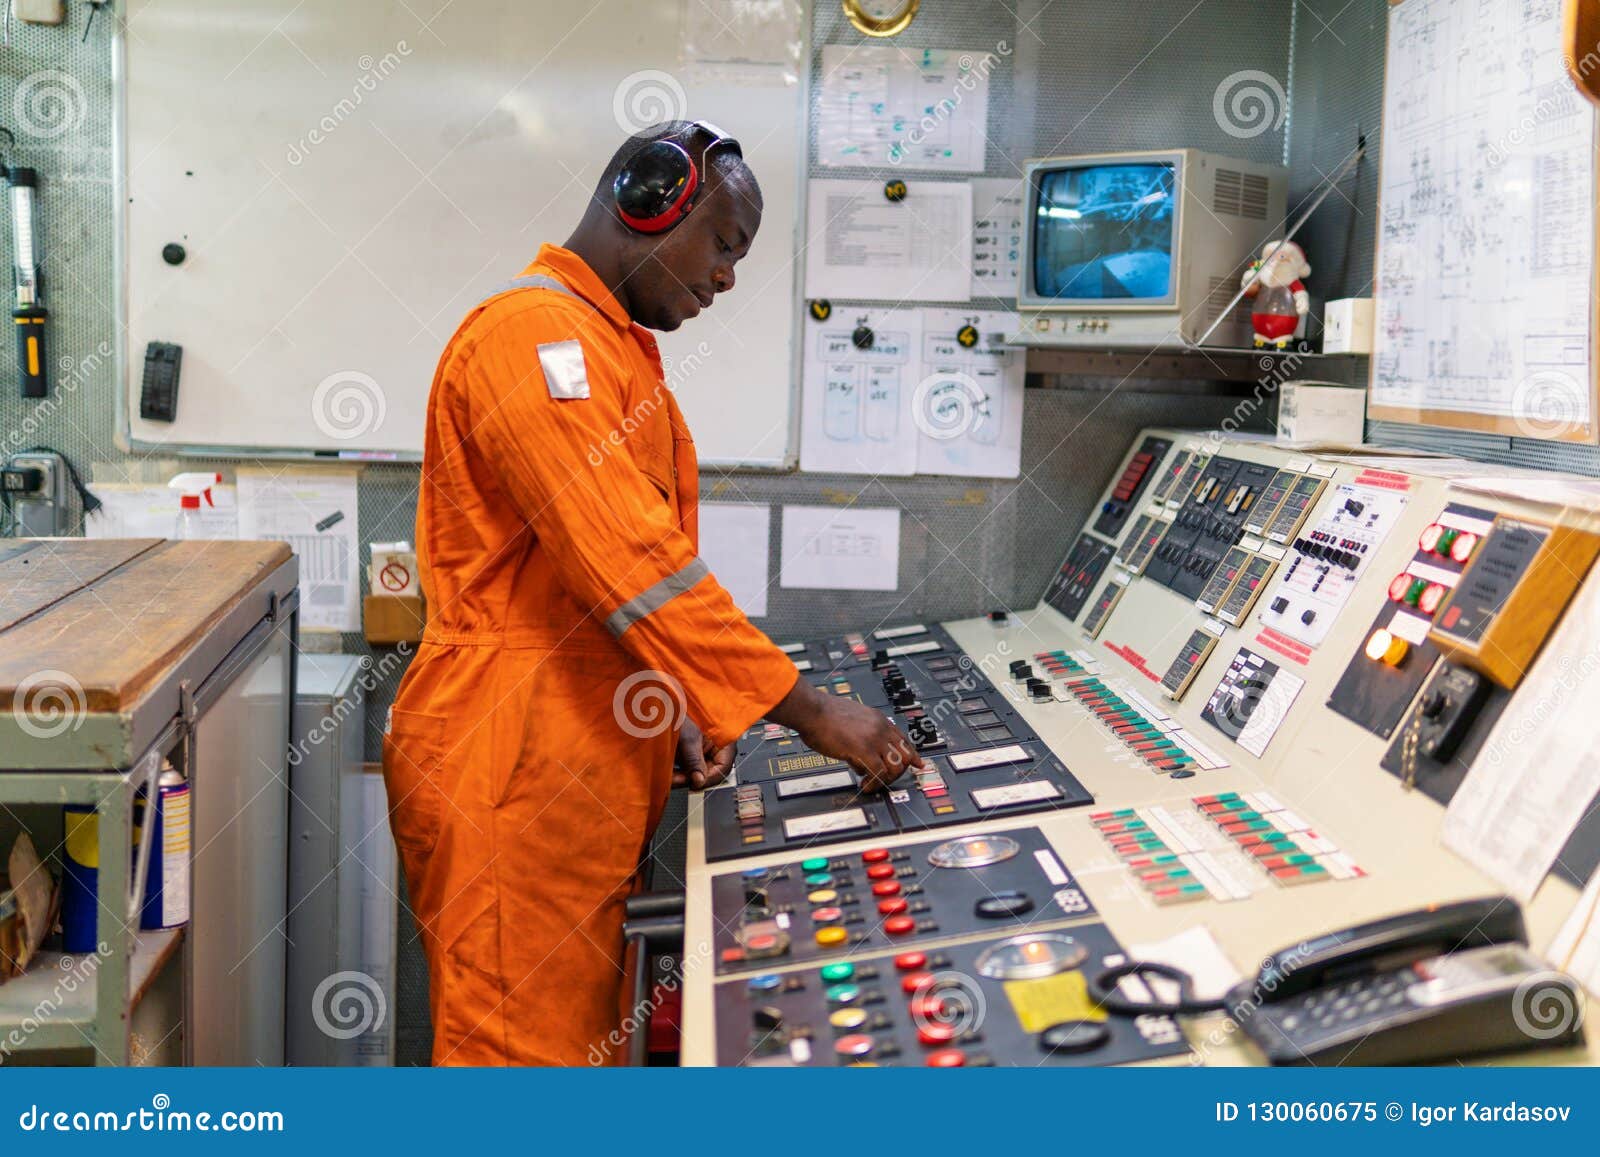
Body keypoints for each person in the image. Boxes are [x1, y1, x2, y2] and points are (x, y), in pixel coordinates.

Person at [382, 120, 926, 1066]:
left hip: (571, 753)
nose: (725, 278)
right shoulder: (533, 338)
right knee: (520, 1063)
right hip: (512, 758)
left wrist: (662, 699)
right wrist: (804, 708)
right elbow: (630, 557)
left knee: (574, 1049)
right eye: (721, 244)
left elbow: (594, 587)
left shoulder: (606, 348)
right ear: (649, 205)